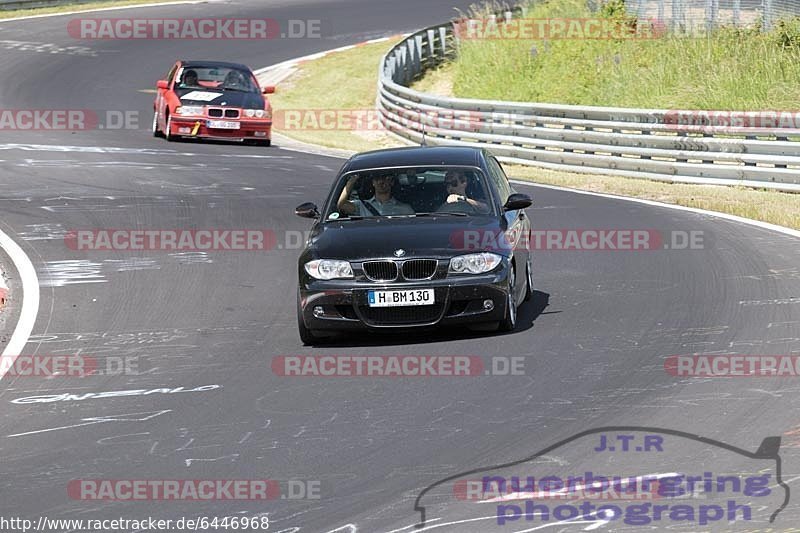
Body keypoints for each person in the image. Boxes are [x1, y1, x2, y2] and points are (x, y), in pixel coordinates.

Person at [337, 172, 414, 217]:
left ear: (392, 182)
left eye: (384, 178)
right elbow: (342, 205)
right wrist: (351, 182)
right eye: (377, 178)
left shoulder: (405, 209)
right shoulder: (361, 205)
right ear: (373, 183)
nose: (380, 182)